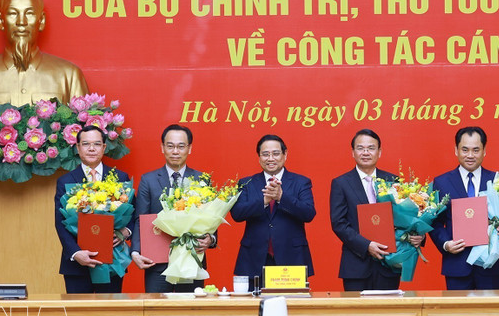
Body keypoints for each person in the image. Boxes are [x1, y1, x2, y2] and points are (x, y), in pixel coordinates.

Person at [329, 129, 424, 291]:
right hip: (356, 265)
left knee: (388, 315)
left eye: (371, 148)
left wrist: (418, 235)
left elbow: (407, 218)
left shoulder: (393, 181)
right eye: (360, 148)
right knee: (357, 315)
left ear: (379, 152)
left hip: (389, 263)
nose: (365, 152)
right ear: (352, 152)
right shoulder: (341, 183)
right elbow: (339, 224)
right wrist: (367, 245)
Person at [429, 126, 499, 290]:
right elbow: (434, 222)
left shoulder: (498, 180)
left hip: (491, 266)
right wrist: (445, 244)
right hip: (457, 265)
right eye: (464, 150)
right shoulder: (441, 182)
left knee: (490, 315)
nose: (470, 155)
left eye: (475, 150)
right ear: (456, 150)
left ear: (484, 151)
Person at [130, 124, 216, 292]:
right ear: (162, 147)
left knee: (189, 312)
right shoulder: (148, 180)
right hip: (157, 263)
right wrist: (135, 252)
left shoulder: (202, 180)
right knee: (157, 312)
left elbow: (211, 218)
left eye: (181, 146)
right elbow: (140, 219)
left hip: (191, 259)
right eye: (170, 146)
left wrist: (211, 239)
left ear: (189, 148)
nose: (175, 151)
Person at [54, 125, 133, 293]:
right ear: (78, 147)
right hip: (77, 266)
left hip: (113, 261)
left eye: (97, 144)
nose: (91, 149)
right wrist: (75, 253)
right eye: (86, 144)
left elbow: (133, 214)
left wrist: (125, 232)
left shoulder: (120, 178)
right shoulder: (65, 181)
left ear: (104, 147)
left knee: (110, 315)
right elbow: (60, 223)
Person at [231, 134, 316, 280]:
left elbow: (309, 213)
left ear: (285, 154)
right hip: (254, 259)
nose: (270, 158)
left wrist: (281, 198)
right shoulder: (246, 183)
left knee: (292, 303)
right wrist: (264, 201)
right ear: (259, 157)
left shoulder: (301, 182)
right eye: (265, 154)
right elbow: (237, 213)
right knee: (253, 303)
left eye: (276, 153)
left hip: (291, 258)